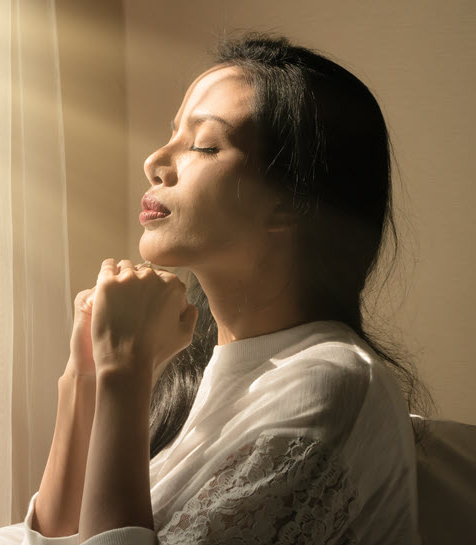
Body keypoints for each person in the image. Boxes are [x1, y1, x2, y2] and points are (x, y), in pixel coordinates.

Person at [23, 33, 434, 545]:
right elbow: (56, 536)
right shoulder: (204, 381)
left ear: (290, 201)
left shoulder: (327, 386)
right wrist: (86, 372)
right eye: (173, 134)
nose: (155, 161)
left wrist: (124, 372)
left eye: (203, 145)